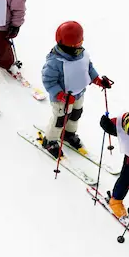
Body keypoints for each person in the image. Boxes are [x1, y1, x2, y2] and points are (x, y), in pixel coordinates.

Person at [40, 21, 113, 157]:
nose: (78, 47)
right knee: (60, 119)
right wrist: (61, 95)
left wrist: (97, 80)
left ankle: (68, 134)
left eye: (79, 44)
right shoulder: (55, 61)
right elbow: (48, 81)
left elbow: (88, 68)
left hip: (79, 94)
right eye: (75, 45)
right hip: (62, 99)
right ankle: (50, 140)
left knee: (75, 115)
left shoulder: (82, 54)